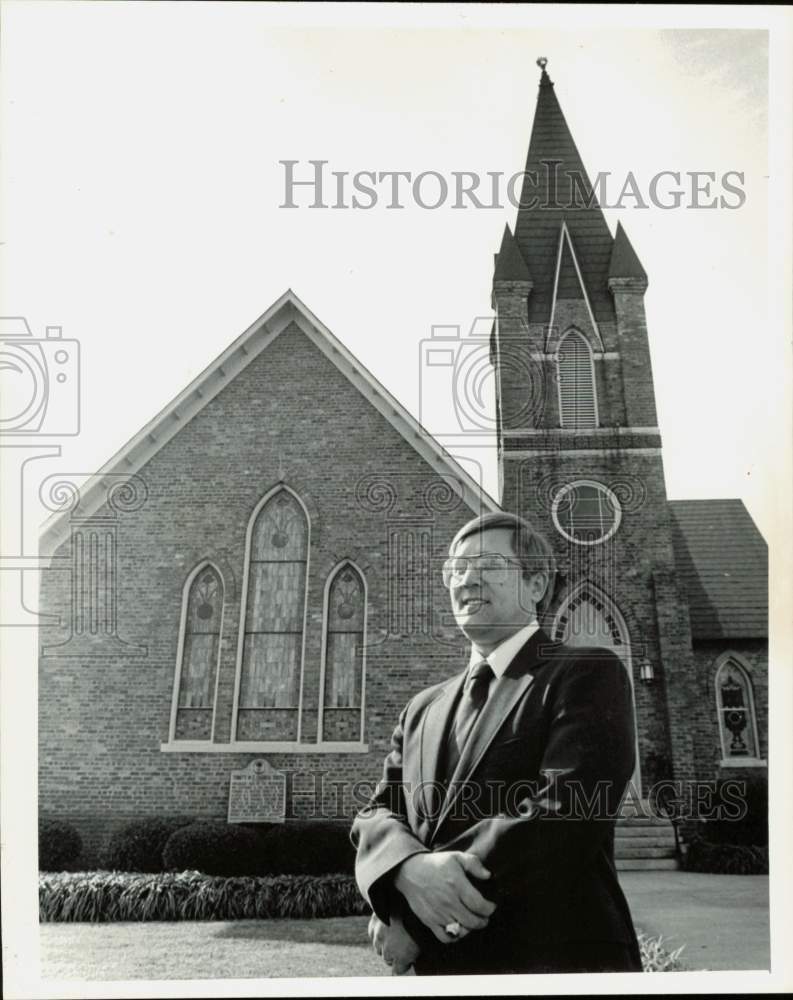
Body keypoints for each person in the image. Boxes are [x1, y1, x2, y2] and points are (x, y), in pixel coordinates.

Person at [351, 511, 642, 975]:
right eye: (456, 569)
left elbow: (565, 814)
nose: (465, 579)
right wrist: (403, 871)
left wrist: (415, 920)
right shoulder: (422, 709)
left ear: (536, 585)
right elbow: (375, 814)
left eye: (486, 565)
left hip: (551, 963)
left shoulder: (585, 673)